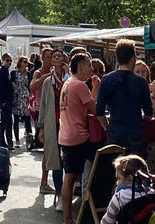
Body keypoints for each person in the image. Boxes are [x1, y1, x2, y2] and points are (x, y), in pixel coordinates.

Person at [96, 38, 154, 158]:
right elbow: (149, 113)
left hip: (115, 132)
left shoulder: (106, 80)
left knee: (116, 170)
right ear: (133, 58)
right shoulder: (141, 82)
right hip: (135, 132)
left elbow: (99, 111)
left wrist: (108, 127)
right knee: (135, 170)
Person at [58, 52, 97, 224]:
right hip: (79, 137)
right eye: (89, 65)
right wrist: (96, 87)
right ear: (80, 67)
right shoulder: (80, 85)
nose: (92, 68)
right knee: (97, 168)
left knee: (70, 175)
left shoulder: (68, 83)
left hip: (66, 135)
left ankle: (68, 218)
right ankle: (88, 212)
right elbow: (95, 109)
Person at [31, 47, 67, 207]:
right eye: (54, 56)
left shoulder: (70, 79)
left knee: (70, 161)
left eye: (60, 56)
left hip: (70, 124)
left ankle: (67, 192)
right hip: (53, 123)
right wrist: (41, 128)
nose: (56, 58)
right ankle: (59, 193)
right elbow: (44, 105)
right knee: (55, 159)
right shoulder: (47, 81)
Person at [99, 154, 155, 224]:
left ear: (130, 178)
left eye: (119, 179)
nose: (117, 182)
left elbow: (106, 222)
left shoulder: (119, 198)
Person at [11, 56, 33, 150]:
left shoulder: (28, 73)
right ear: (20, 62)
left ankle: (30, 140)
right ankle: (16, 140)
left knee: (27, 119)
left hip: (26, 97)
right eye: (24, 61)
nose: (26, 63)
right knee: (16, 119)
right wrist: (16, 91)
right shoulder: (14, 73)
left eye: (27, 62)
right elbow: (12, 83)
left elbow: (29, 85)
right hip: (17, 97)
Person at [0, 53, 15, 148]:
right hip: (4, 101)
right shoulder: (0, 71)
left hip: (8, 100)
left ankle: (2, 142)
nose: (9, 62)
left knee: (4, 123)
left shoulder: (6, 71)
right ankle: (8, 142)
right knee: (7, 122)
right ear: (3, 60)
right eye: (7, 60)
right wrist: (1, 101)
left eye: (11, 60)